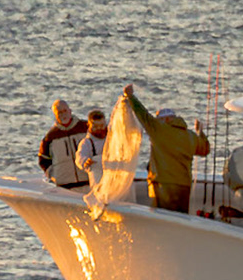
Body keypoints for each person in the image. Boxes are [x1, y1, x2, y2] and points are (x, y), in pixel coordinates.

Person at [120, 84, 210, 214]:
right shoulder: (190, 135)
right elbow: (205, 150)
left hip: (163, 185)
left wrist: (131, 96)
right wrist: (200, 133)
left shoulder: (160, 129)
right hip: (184, 186)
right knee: (181, 220)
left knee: (163, 218)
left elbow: (143, 115)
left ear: (166, 119)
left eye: (159, 119)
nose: (157, 121)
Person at [38, 99, 90, 189]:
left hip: (90, 182)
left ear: (70, 111)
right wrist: (53, 175)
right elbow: (43, 159)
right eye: (59, 112)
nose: (63, 114)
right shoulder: (50, 137)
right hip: (65, 187)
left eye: (65, 111)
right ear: (55, 115)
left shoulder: (86, 128)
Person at [74, 108, 109, 188]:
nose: (99, 128)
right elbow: (79, 156)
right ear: (89, 125)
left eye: (101, 125)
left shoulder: (112, 138)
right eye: (95, 126)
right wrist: (85, 161)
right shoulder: (86, 142)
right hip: (98, 182)